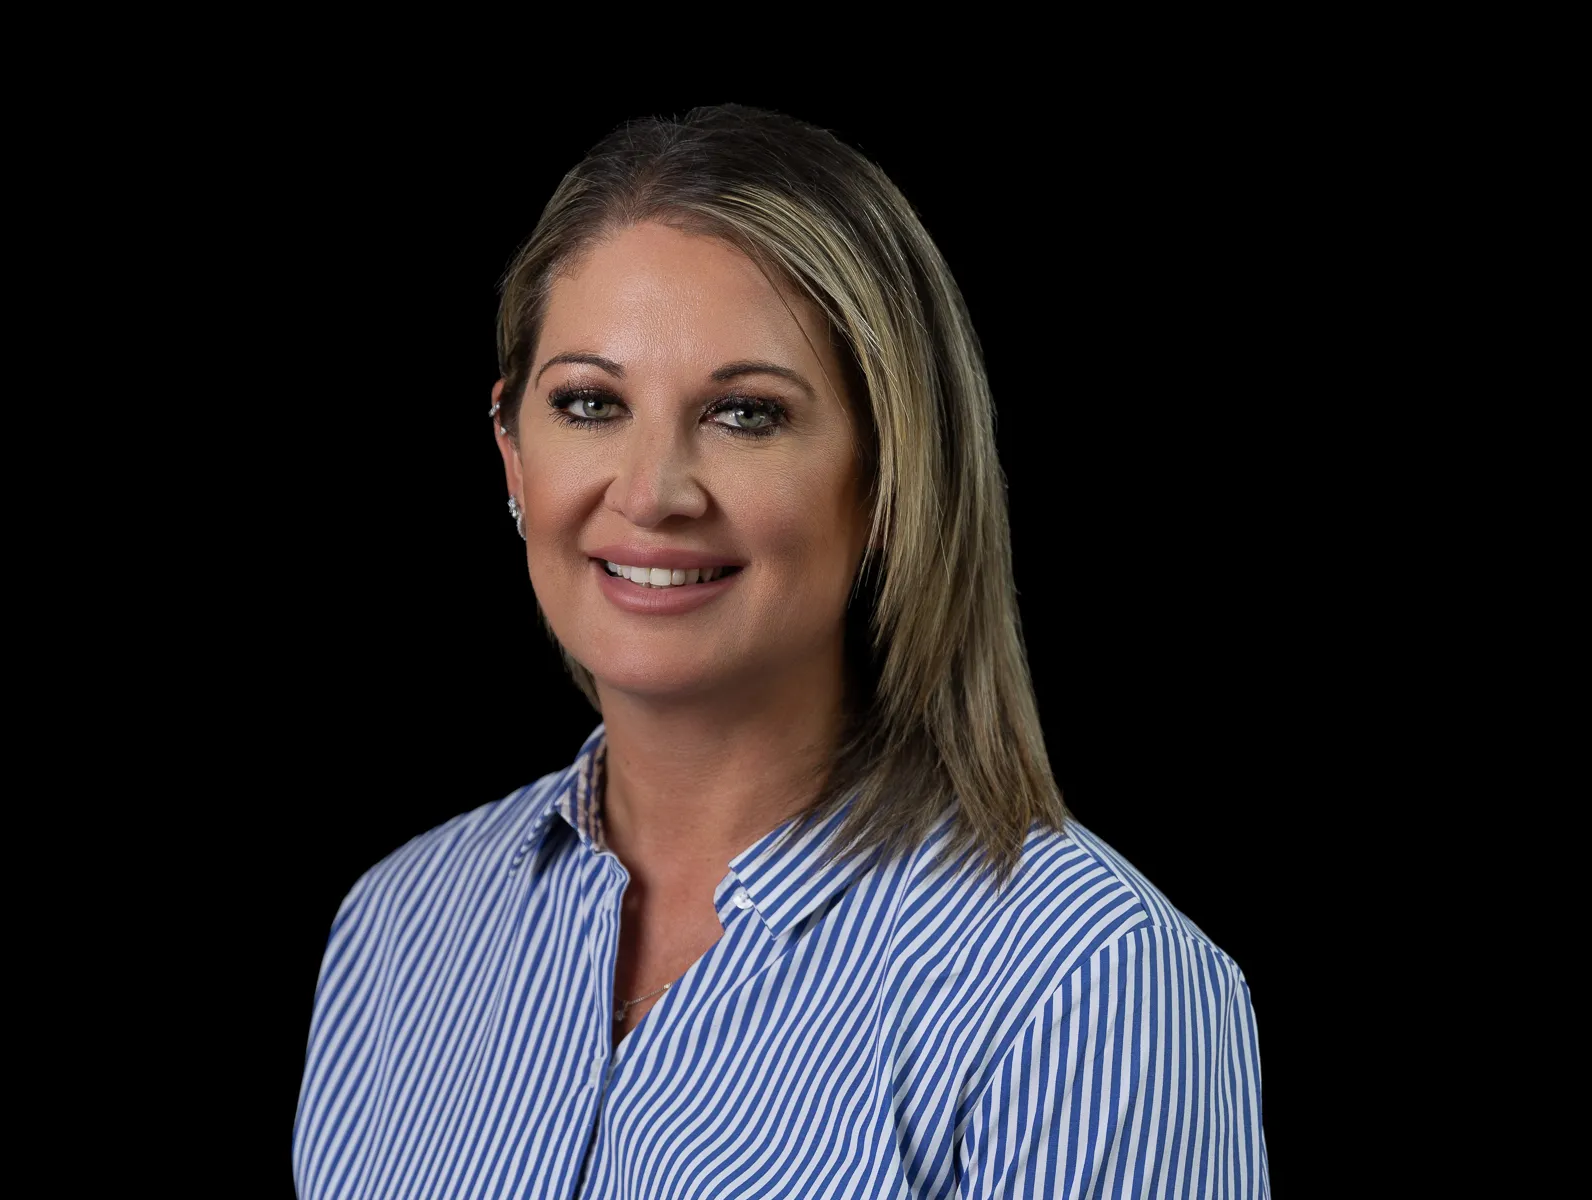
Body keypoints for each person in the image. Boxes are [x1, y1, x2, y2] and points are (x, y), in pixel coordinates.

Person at [293, 104, 1269, 1199]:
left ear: (891, 479)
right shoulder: (396, 928)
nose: (652, 494)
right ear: (513, 454)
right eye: (590, 403)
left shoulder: (1086, 986)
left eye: (746, 414)